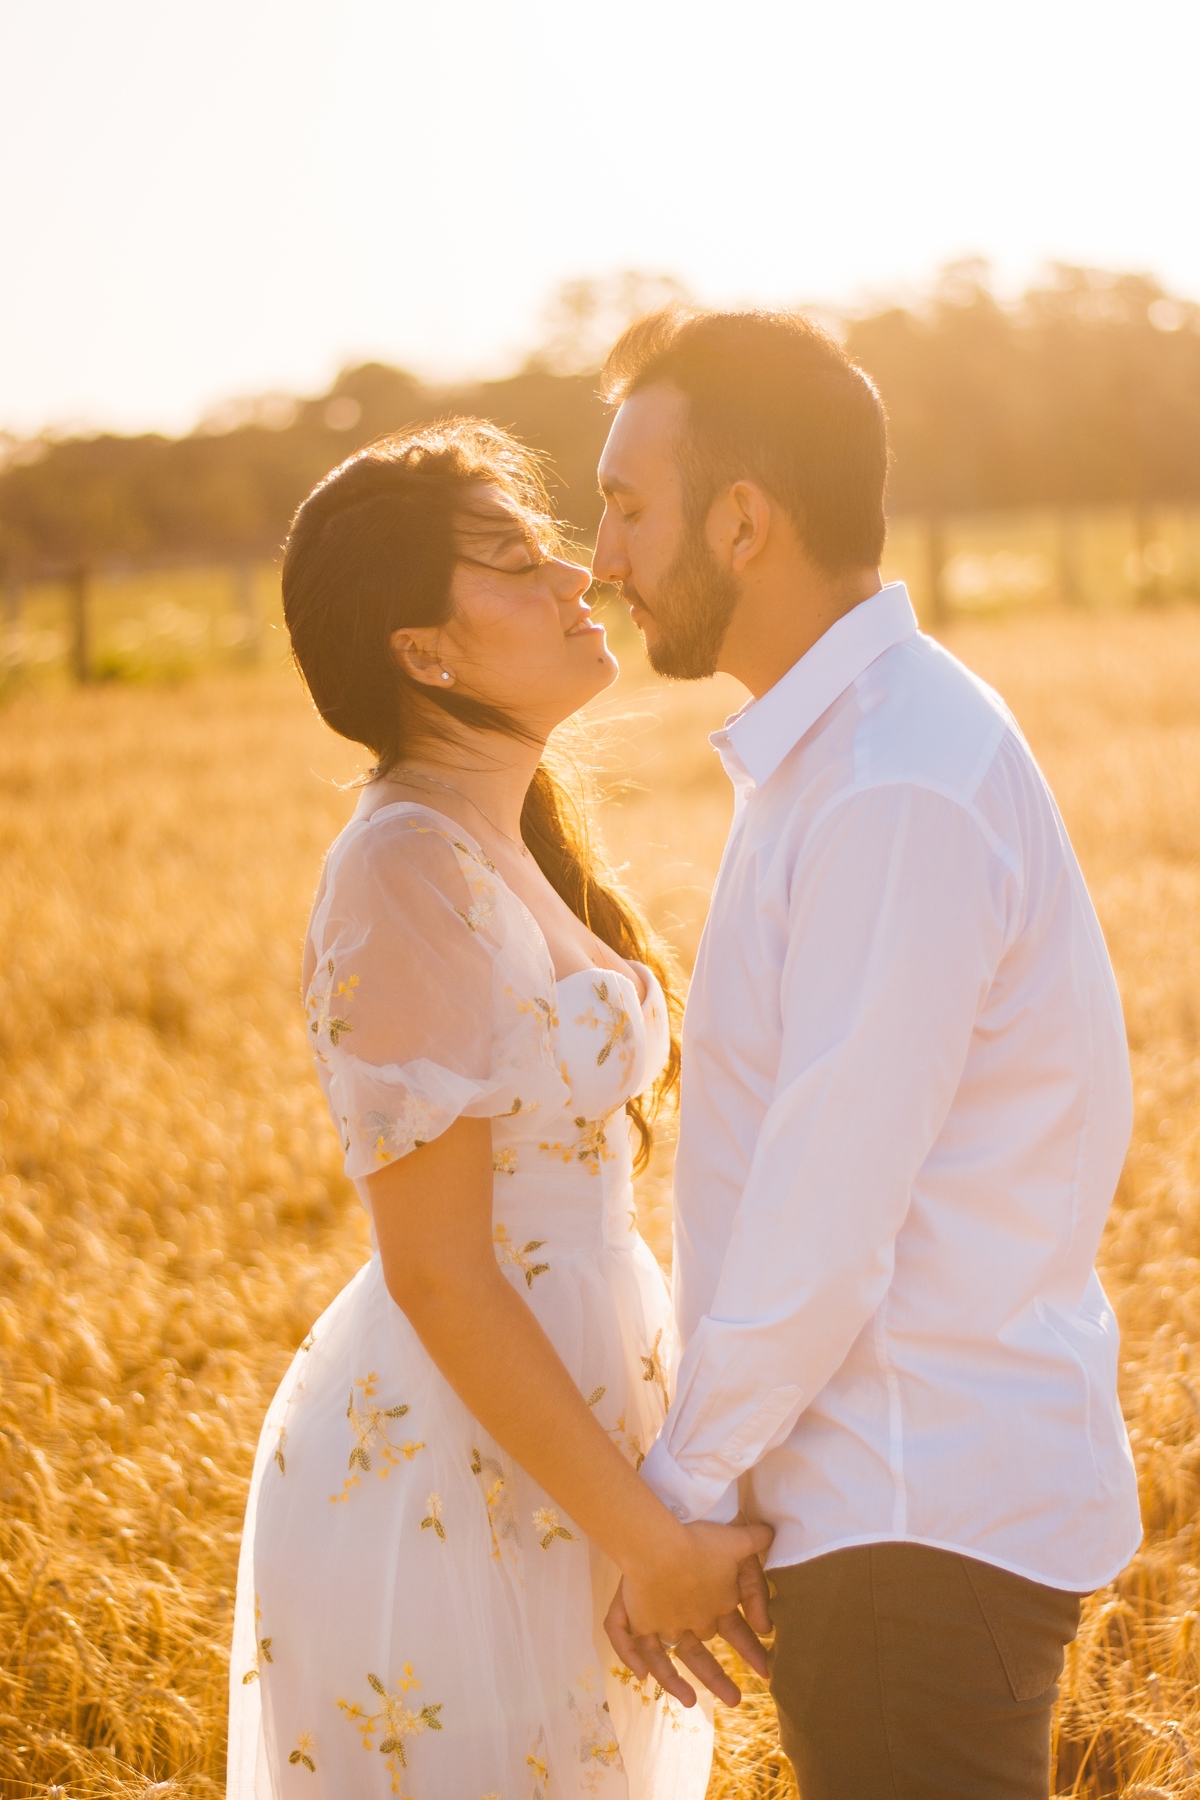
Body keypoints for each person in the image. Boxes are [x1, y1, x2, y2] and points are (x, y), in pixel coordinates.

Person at [593, 309, 1143, 1800]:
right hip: (897, 1515)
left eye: (627, 507)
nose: (601, 560)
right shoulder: (859, 750)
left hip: (910, 1517)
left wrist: (678, 1511)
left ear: (746, 521)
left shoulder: (889, 782)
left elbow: (824, 1215)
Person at [225, 420, 772, 1800]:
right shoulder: (403, 866)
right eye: (516, 564)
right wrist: (644, 1540)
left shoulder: (507, 843)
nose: (579, 576)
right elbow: (437, 1267)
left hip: (575, 1421)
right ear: (422, 651)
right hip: (457, 1468)